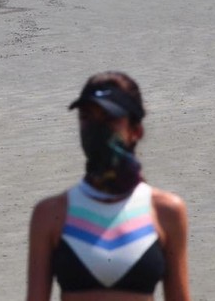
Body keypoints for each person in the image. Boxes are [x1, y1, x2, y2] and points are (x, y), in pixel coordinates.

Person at [26, 71, 190, 301]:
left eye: (109, 118)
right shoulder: (50, 214)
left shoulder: (166, 211)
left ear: (136, 131)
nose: (96, 128)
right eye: (86, 117)